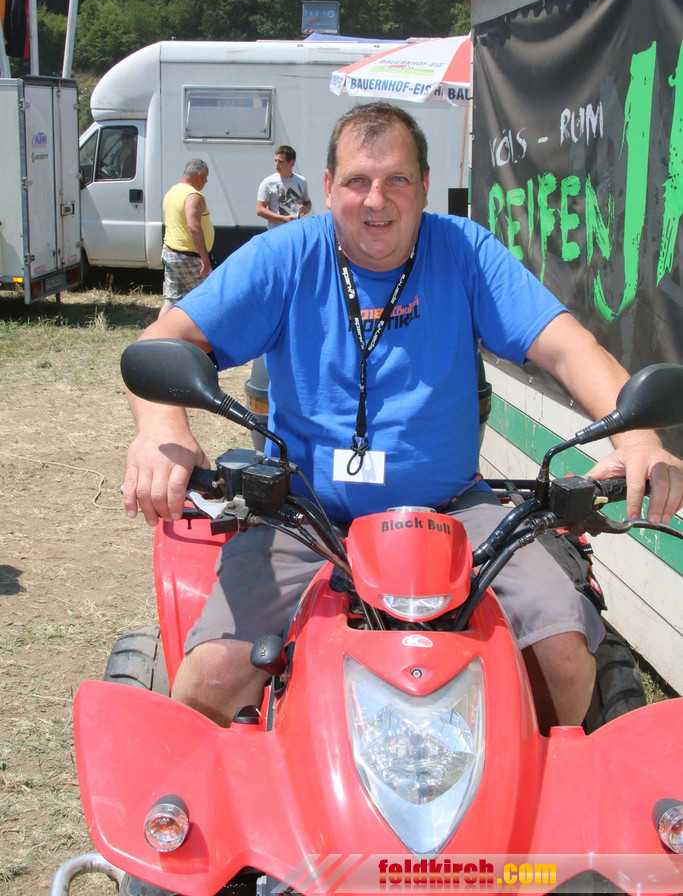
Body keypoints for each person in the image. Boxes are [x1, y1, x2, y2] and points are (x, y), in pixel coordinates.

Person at [124, 102, 683, 735]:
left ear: (424, 186)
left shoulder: (464, 250)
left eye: (397, 180)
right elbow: (161, 345)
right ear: (327, 186)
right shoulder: (284, 256)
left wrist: (636, 435)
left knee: (562, 656)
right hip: (303, 516)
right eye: (357, 180)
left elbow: (567, 346)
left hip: (456, 512)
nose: (376, 200)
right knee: (212, 680)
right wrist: (163, 431)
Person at [158, 159, 215, 319]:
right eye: (206, 177)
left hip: (170, 252)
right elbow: (193, 226)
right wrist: (205, 258)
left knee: (172, 300)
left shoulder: (172, 191)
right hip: (188, 257)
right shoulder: (192, 196)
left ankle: (158, 332)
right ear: (199, 175)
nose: (206, 181)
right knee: (209, 297)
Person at [256, 145, 312, 228]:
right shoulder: (268, 182)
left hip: (295, 229)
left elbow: (308, 203)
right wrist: (282, 218)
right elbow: (260, 210)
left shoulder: (301, 181)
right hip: (276, 230)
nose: (277, 164)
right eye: (275, 161)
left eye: (280, 161)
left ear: (291, 163)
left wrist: (306, 208)